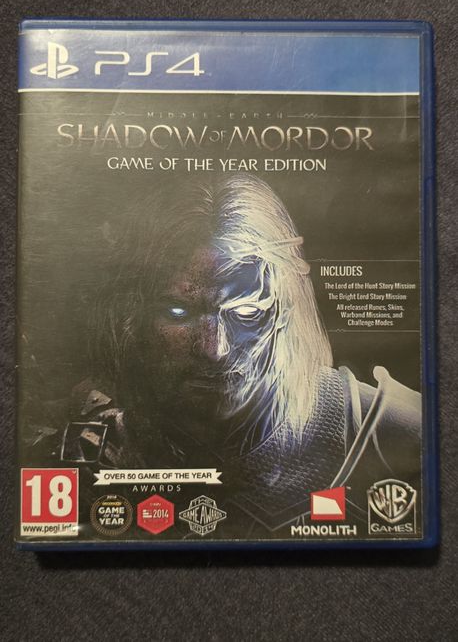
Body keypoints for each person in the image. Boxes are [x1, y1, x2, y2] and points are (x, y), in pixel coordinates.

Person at [25, 173, 421, 534]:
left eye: (247, 312)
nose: (214, 349)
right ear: (134, 314)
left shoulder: (389, 431)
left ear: (284, 310)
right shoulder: (83, 435)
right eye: (178, 312)